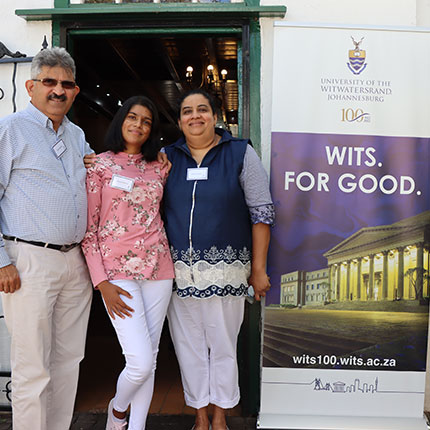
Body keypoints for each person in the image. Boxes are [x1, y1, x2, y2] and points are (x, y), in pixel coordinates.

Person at [163, 89, 274, 430]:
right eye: (186, 111)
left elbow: (261, 213)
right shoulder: (166, 156)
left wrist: (258, 269)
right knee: (188, 347)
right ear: (179, 120)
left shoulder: (240, 153)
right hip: (177, 273)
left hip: (226, 271)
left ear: (215, 115)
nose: (194, 116)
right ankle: (199, 414)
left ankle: (221, 414)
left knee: (223, 346)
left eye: (202, 110)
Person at [0, 47, 93, 430]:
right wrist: (1, 261)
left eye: (66, 84)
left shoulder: (77, 135)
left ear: (75, 90)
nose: (58, 90)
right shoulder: (10, 129)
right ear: (31, 85)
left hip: (76, 262)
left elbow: (99, 172)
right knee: (32, 366)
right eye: (49, 82)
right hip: (27, 262)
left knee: (68, 362)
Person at [81, 95, 174, 430]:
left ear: (152, 130)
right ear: (120, 120)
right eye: (132, 117)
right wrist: (100, 282)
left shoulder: (160, 166)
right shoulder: (99, 166)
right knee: (138, 361)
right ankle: (117, 410)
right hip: (117, 272)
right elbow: (89, 230)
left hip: (159, 269)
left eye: (146, 121)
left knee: (150, 357)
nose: (138, 125)